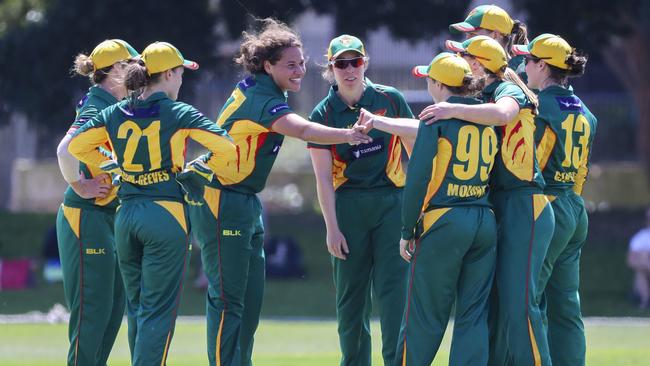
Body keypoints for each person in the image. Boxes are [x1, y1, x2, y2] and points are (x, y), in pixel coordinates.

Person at [178, 19, 371, 366]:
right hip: (222, 198)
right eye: (290, 65)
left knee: (249, 304)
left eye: (301, 63)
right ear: (268, 65)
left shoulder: (267, 89)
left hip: (245, 200)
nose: (299, 70)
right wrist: (347, 134)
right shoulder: (260, 98)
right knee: (228, 302)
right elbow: (301, 129)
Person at [68, 41, 236, 366]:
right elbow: (227, 148)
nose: (183, 79)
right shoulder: (179, 111)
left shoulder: (115, 111)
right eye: (181, 73)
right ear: (170, 73)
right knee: (158, 315)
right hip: (165, 215)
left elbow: (77, 147)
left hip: (126, 216)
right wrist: (195, 169)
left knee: (139, 311)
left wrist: (117, 166)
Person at [420, 36, 555, 365]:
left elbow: (504, 114)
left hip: (524, 204)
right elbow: (429, 130)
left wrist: (450, 107)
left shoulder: (505, 92)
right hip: (500, 206)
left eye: (465, 54)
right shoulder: (478, 98)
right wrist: (378, 124)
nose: (460, 57)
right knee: (498, 308)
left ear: (478, 64)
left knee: (519, 308)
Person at [380, 52, 496, 365]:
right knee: (473, 314)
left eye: (429, 79)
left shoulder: (435, 117)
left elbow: (417, 178)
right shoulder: (488, 116)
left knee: (424, 317)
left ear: (436, 83)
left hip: (445, 220)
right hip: (484, 220)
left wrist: (407, 230)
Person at [308, 34, 413, 366]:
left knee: (394, 295)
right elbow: (323, 178)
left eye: (355, 61)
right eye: (341, 63)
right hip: (348, 206)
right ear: (331, 68)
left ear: (365, 63)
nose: (349, 69)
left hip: (392, 203)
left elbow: (415, 147)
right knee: (351, 301)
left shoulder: (390, 98)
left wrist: (417, 211)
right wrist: (331, 229)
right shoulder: (323, 112)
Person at [513, 33, 596, 365]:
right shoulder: (586, 111)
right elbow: (581, 172)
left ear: (543, 66)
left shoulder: (540, 107)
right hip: (576, 208)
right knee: (567, 306)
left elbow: (531, 167)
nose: (523, 65)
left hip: (548, 207)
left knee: (529, 302)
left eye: (528, 60)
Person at [55, 39, 138, 366]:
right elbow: (66, 149)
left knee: (112, 310)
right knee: (93, 313)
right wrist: (79, 184)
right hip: (85, 217)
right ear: (116, 70)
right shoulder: (98, 105)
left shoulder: (115, 105)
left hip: (107, 218)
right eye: (132, 66)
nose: (139, 74)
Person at [449, 4, 530, 77]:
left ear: (495, 35)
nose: (466, 41)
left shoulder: (525, 73)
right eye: (466, 35)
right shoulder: (469, 71)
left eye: (473, 35)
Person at [628, 208, 650, 310]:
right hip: (645, 269)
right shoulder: (640, 237)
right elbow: (631, 260)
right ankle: (646, 301)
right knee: (643, 257)